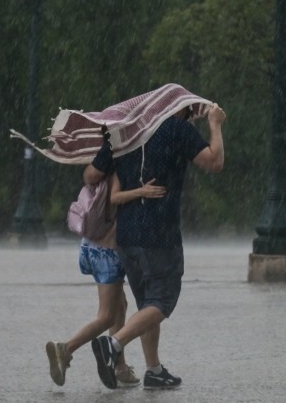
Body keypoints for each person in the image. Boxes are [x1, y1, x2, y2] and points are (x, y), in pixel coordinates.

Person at [88, 102, 226, 390]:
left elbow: (91, 175)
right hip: (160, 234)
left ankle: (154, 370)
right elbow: (214, 162)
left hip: (126, 235)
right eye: (189, 112)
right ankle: (113, 345)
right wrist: (215, 124)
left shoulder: (124, 132)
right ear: (180, 110)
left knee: (146, 304)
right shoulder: (178, 129)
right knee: (162, 301)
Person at [44, 164, 156, 388]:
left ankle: (120, 366)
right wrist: (141, 192)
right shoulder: (120, 165)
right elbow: (115, 198)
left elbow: (91, 177)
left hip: (91, 244)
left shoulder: (101, 163)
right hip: (107, 251)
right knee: (106, 315)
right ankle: (65, 349)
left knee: (120, 305)